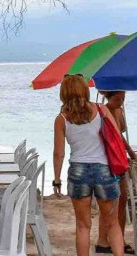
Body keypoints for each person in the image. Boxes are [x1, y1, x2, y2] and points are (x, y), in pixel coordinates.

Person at [53, 75, 124, 256]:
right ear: (85, 90)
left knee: (83, 226)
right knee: (113, 223)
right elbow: (116, 137)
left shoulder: (61, 119)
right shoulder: (100, 110)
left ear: (64, 94)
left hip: (78, 171)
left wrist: (56, 180)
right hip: (104, 169)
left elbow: (58, 154)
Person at [100, 90, 136, 254]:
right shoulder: (103, 111)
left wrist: (128, 150)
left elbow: (121, 134)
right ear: (109, 97)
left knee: (122, 200)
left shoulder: (119, 111)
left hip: (120, 158)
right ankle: (105, 239)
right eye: (117, 99)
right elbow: (114, 136)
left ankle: (119, 238)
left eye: (123, 98)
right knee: (110, 202)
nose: (121, 101)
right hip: (109, 159)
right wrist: (129, 150)